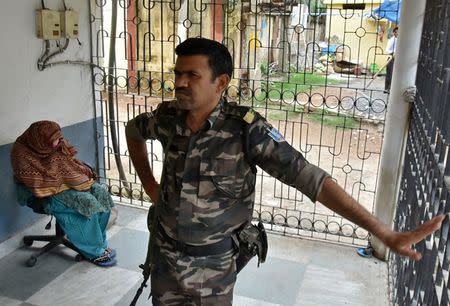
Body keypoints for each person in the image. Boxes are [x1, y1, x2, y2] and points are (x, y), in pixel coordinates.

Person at [125, 38, 444, 305]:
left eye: (191, 75)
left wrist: (383, 232)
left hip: (213, 270)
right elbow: (132, 131)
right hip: (165, 258)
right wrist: (151, 185)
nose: (179, 82)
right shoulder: (168, 118)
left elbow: (312, 180)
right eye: (177, 73)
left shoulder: (246, 131)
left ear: (220, 83)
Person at [11, 120, 117, 267]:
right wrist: (64, 178)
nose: (57, 143)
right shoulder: (21, 152)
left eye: (58, 138)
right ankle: (93, 252)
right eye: (53, 140)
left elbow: (68, 162)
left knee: (101, 193)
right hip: (45, 190)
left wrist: (75, 175)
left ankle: (100, 243)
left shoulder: (57, 143)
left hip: (66, 182)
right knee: (87, 202)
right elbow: (35, 181)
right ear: (40, 140)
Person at [384, 26, 398, 93]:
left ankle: (392, 89)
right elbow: (387, 50)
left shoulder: (399, 40)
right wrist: (393, 54)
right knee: (390, 74)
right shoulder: (392, 40)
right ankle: (387, 88)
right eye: (396, 32)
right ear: (394, 33)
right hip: (391, 58)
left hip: (397, 59)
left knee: (394, 74)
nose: (398, 33)